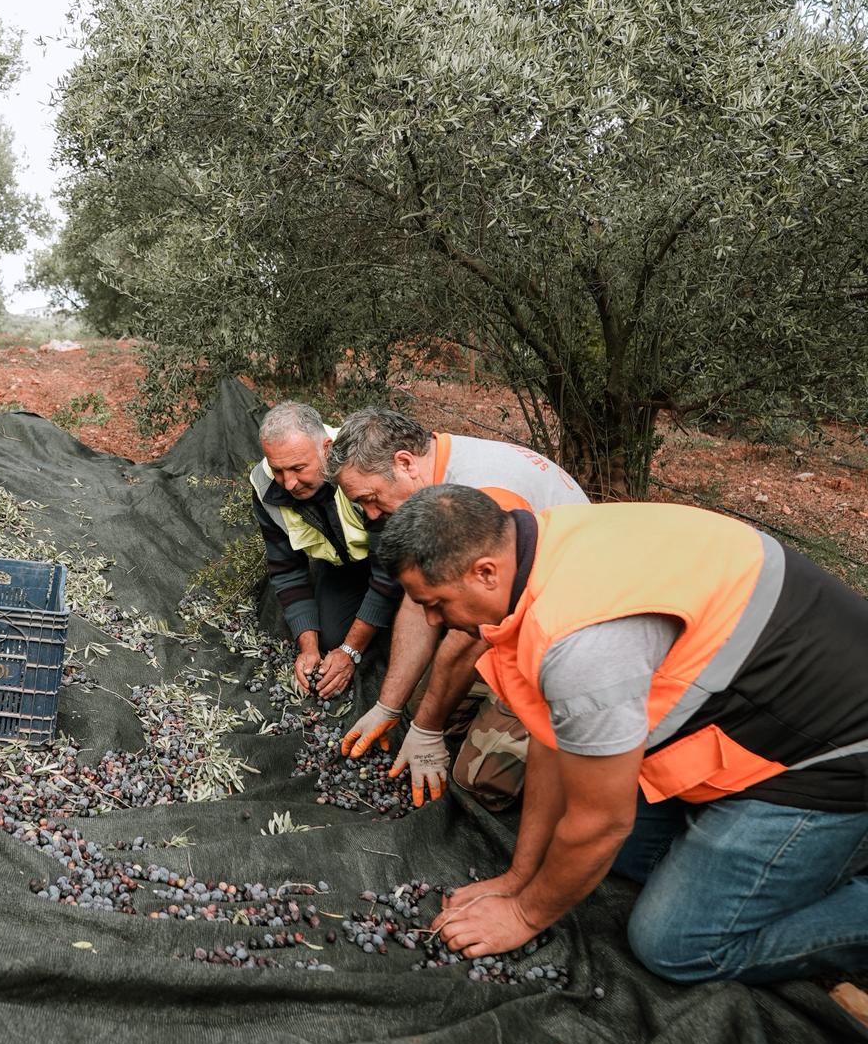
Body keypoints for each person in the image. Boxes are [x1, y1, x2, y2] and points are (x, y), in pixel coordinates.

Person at [378, 484, 868, 983]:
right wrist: (521, 877)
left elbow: (600, 824)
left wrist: (525, 913)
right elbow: (551, 739)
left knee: (672, 943)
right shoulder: (543, 546)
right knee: (608, 856)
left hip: (831, 757)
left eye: (435, 603)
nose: (433, 620)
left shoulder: (577, 643)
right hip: (759, 713)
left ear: (485, 571)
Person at [329, 409, 586, 809]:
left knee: (480, 776)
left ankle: (569, 748)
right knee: (417, 706)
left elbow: (473, 632)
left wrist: (427, 730)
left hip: (567, 638)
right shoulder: (436, 480)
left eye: (371, 499)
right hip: (517, 613)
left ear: (404, 462)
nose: (373, 515)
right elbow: (422, 601)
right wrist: (389, 706)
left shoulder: (483, 495)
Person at [249, 402, 399, 700]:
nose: (289, 482)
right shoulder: (265, 484)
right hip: (344, 566)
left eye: (298, 468)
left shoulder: (364, 465)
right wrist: (309, 647)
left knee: (398, 636)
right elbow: (286, 569)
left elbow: (390, 569)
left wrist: (350, 651)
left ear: (327, 448)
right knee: (329, 637)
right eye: (278, 469)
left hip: (397, 562)